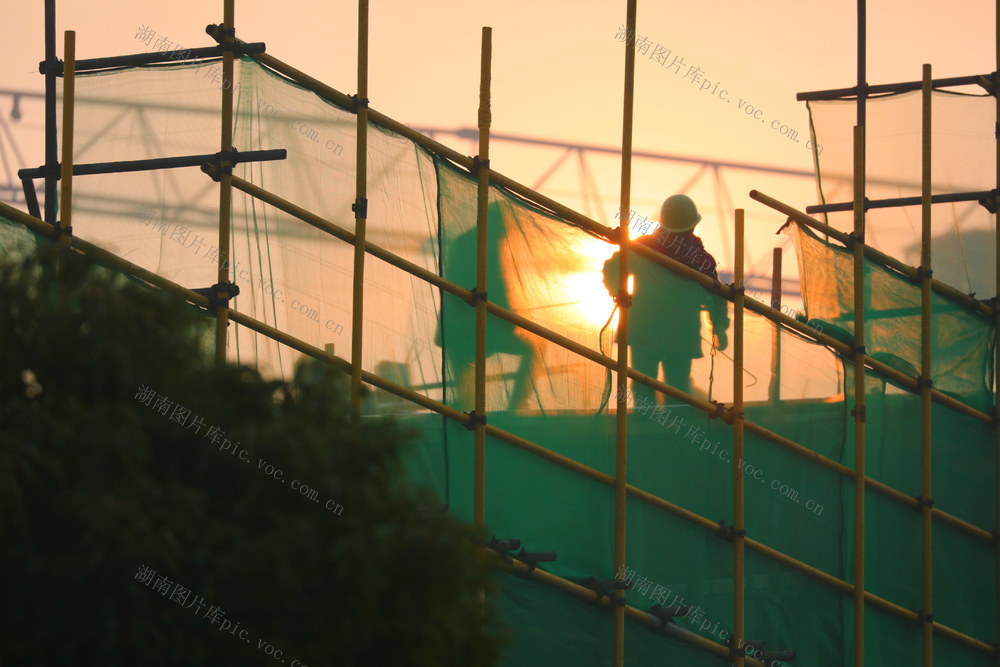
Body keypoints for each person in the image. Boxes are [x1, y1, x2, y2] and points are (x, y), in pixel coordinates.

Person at [602, 194, 729, 403]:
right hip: (675, 336)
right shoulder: (701, 261)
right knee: (674, 392)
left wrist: (619, 291)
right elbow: (717, 297)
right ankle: (667, 433)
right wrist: (719, 328)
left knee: (648, 390)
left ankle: (645, 431)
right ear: (693, 226)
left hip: (647, 332)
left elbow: (612, 270)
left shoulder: (642, 248)